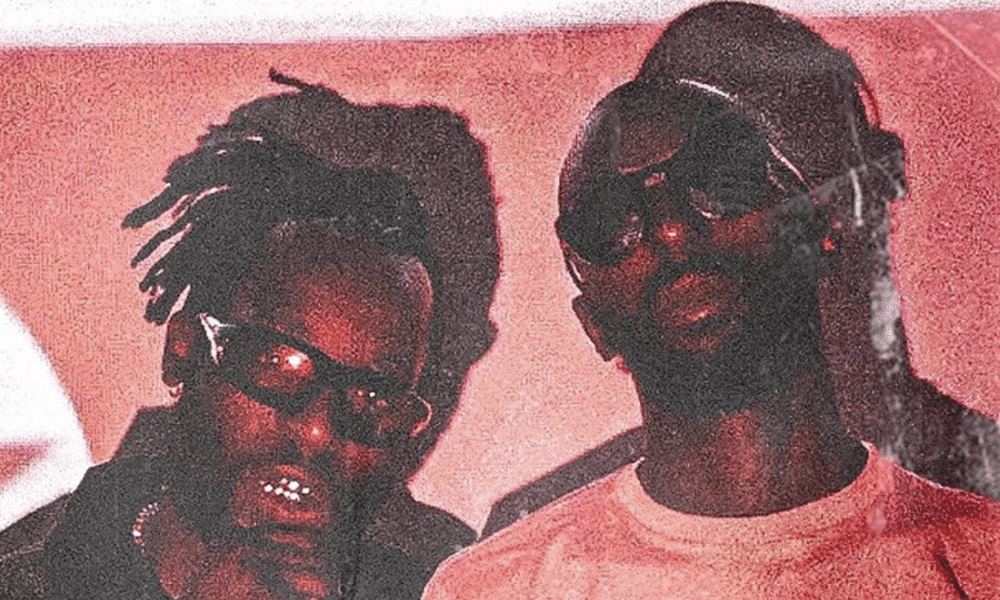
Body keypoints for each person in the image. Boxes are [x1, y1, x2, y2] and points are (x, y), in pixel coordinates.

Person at [423, 3, 1000, 598]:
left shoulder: (982, 535)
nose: (675, 229)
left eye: (726, 177)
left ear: (869, 186)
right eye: (617, 216)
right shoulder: (513, 570)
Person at [0, 72, 499, 600]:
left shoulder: (450, 584)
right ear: (185, 351)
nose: (318, 431)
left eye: (374, 397)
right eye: (280, 364)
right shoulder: (32, 576)